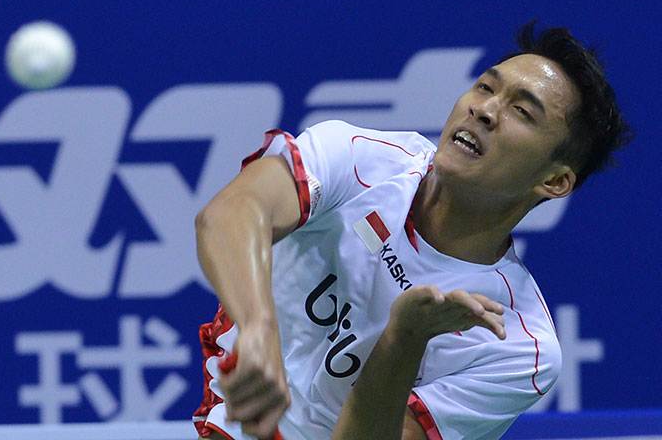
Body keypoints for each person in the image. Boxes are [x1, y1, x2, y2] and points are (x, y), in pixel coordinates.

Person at [192, 22, 630, 440]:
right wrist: (258, 326)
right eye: (485, 86)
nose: (484, 110)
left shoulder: (518, 345)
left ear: (554, 181)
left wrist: (404, 339)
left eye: (521, 111)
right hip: (234, 420)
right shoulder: (362, 159)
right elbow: (231, 213)